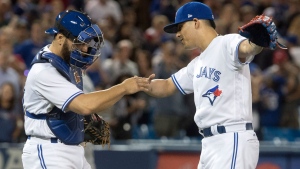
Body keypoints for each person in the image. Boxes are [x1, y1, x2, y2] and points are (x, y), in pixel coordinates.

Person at [144, 2, 270, 168]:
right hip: (210, 143)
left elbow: (247, 48)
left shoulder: (226, 43)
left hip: (232, 137)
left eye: (180, 27)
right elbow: (167, 86)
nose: (178, 35)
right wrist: (134, 85)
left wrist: (257, 42)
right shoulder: (198, 63)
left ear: (196, 22)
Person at [21, 10, 150, 169]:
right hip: (49, 150)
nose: (85, 48)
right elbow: (84, 105)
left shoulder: (68, 65)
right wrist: (123, 88)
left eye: (86, 43)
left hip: (72, 149)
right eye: (79, 43)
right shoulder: (45, 70)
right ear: (60, 38)